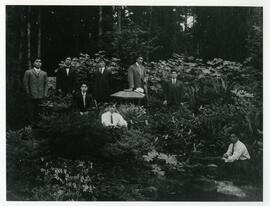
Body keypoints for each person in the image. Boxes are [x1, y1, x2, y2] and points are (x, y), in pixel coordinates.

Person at [23, 58, 48, 125]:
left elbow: (46, 84)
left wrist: (45, 94)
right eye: (36, 61)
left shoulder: (44, 73)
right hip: (31, 96)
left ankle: (39, 126)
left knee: (39, 111)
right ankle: (31, 126)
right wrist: (28, 93)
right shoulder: (28, 72)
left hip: (40, 96)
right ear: (33, 63)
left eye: (40, 62)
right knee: (30, 112)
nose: (38, 63)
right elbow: (25, 84)